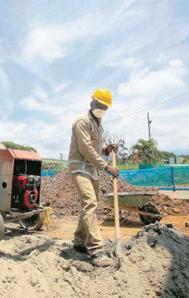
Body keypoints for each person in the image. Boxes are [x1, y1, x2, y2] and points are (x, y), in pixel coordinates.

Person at [68, 88, 119, 267]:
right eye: (99, 104)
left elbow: (96, 150)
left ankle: (79, 241)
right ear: (91, 103)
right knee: (90, 203)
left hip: (92, 170)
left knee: (90, 204)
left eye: (104, 107)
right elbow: (86, 150)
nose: (101, 108)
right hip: (80, 168)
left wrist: (106, 150)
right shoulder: (81, 122)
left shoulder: (99, 125)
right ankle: (97, 249)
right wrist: (106, 166)